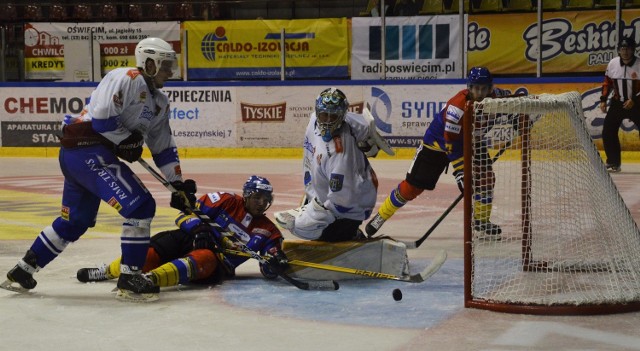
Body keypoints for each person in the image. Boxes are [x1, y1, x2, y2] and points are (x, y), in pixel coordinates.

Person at [1, 37, 197, 302]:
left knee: (75, 221)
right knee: (140, 206)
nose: (170, 71)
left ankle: (23, 271)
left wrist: (178, 184)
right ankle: (130, 278)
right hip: (85, 150)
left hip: (84, 156)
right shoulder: (125, 77)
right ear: (148, 63)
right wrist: (125, 141)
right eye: (165, 65)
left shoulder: (159, 102)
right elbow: (103, 119)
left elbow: (163, 146)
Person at [76, 176, 287, 288]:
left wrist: (274, 264)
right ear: (246, 196)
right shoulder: (225, 200)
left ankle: (150, 280)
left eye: (265, 200)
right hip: (191, 238)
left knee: (205, 257)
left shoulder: (269, 231)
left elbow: (268, 268)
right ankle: (107, 271)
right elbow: (183, 215)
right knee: (148, 255)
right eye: (257, 197)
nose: (261, 203)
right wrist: (199, 229)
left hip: (216, 261)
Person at [366, 67, 504, 238]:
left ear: (490, 88)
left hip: (471, 142)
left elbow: (515, 105)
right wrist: (460, 172)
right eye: (476, 88)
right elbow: (450, 141)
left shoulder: (497, 98)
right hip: (437, 145)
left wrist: (522, 119)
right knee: (412, 188)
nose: (480, 93)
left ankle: (481, 221)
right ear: (469, 87)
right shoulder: (457, 108)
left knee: (486, 178)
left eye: (484, 88)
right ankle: (381, 216)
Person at [274, 87, 394, 242]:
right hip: (328, 193)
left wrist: (318, 212)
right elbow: (356, 121)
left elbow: (342, 201)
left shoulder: (339, 154)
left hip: (351, 205)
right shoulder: (314, 120)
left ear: (341, 117)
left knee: (304, 228)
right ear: (317, 112)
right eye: (324, 115)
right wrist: (367, 135)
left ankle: (350, 234)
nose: (328, 121)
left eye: (333, 117)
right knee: (305, 220)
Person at [599, 36, 640, 173]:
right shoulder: (613, 63)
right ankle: (613, 162)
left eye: (628, 48)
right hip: (617, 103)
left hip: (637, 104)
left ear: (633, 50)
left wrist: (634, 100)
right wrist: (603, 99)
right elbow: (607, 82)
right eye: (622, 49)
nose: (625, 52)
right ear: (618, 50)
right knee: (608, 131)